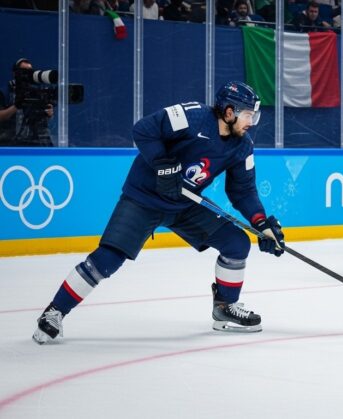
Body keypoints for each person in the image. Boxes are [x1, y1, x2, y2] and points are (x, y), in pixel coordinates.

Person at [32, 81, 285, 344]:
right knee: (108, 259)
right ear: (230, 112)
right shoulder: (193, 116)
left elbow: (243, 191)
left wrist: (260, 222)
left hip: (184, 204)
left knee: (237, 243)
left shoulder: (242, 146)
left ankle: (224, 309)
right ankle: (55, 312)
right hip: (144, 198)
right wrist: (163, 165)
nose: (252, 122)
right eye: (248, 115)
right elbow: (144, 130)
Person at [2, 58, 55, 147]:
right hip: (9, 143)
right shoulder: (5, 92)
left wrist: (49, 114)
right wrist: (16, 106)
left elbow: (45, 122)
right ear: (15, 73)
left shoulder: (35, 91)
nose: (27, 74)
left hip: (33, 142)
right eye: (24, 71)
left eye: (30, 71)